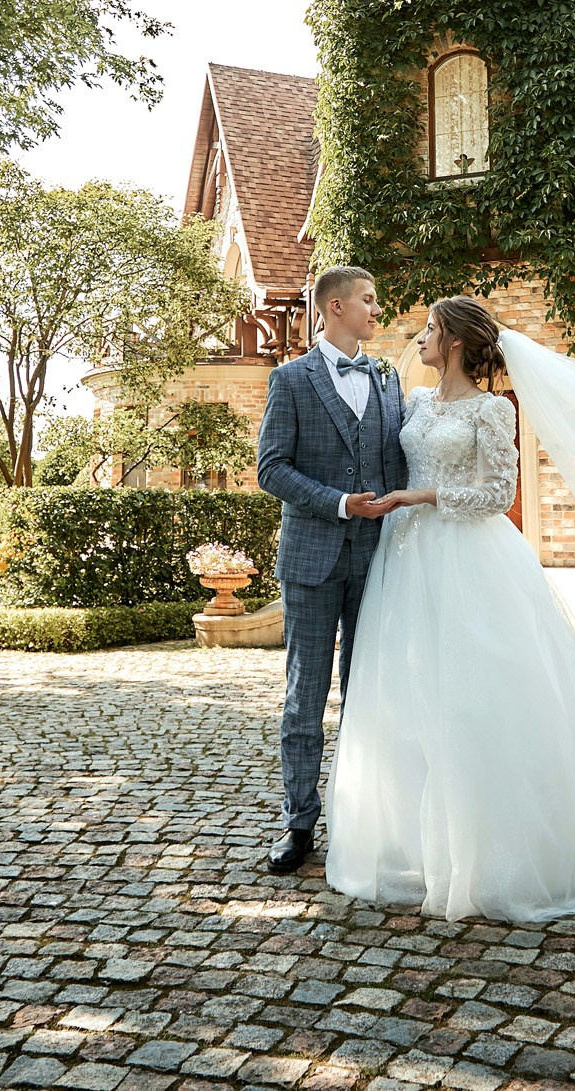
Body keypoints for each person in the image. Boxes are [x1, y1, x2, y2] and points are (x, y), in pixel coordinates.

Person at [323, 296, 575, 922]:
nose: (421, 338)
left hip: (470, 558)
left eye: (431, 330)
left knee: (478, 695)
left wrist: (424, 494)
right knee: (410, 698)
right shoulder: (412, 403)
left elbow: (499, 492)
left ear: (457, 342)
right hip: (407, 561)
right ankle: (419, 844)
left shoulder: (492, 410)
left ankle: (496, 853)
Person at [252, 265, 408, 877]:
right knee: (304, 697)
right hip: (311, 559)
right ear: (335, 307)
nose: (377, 308)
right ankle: (299, 822)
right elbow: (271, 468)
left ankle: (366, 818)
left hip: (377, 561)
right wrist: (339, 502)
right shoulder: (290, 380)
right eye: (369, 300)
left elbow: (397, 462)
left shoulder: (390, 379)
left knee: (369, 694)